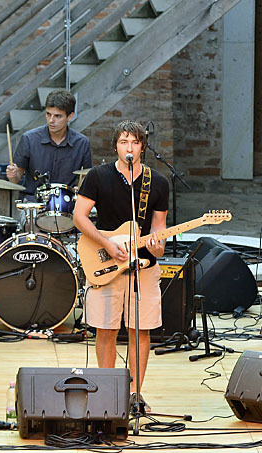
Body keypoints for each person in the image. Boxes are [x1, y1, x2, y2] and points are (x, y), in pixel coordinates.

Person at [72, 120, 168, 414]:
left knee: (141, 331)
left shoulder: (158, 182)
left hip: (144, 267)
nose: (130, 148)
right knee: (106, 329)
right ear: (115, 145)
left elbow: (159, 229)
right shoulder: (98, 176)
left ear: (143, 147)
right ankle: (106, 392)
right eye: (124, 142)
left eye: (135, 142)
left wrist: (157, 246)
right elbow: (79, 216)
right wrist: (107, 243)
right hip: (107, 262)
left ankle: (135, 394)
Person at [6, 90, 92, 200]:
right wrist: (13, 175)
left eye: (57, 116)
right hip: (33, 201)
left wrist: (80, 188)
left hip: (65, 202)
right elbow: (16, 179)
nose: (51, 120)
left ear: (70, 116)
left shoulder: (82, 143)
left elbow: (85, 177)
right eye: (48, 114)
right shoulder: (29, 139)